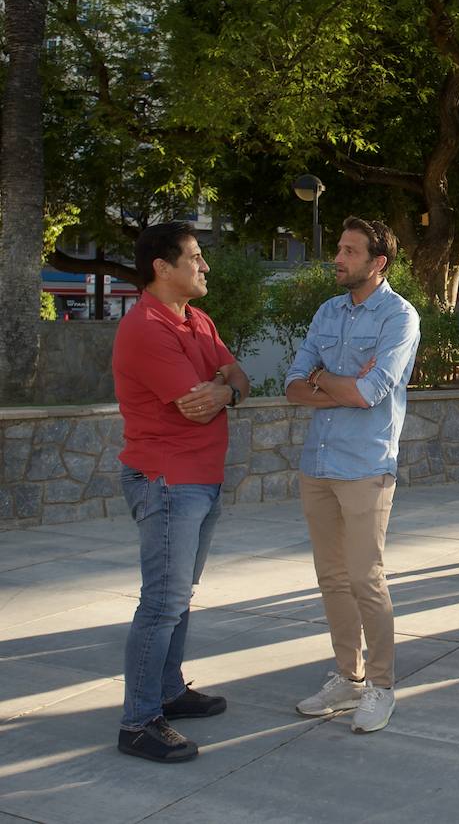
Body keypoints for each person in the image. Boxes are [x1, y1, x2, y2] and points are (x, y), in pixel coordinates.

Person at [112, 222, 251, 763]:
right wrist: (221, 390)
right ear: (162, 268)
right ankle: (138, 721)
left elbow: (235, 378)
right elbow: (194, 401)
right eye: (195, 258)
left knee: (179, 597)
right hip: (168, 480)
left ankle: (168, 692)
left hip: (199, 478)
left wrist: (225, 391)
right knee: (162, 603)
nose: (205, 266)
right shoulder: (146, 327)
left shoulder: (196, 319)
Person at [284, 217, 420, 734]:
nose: (337, 258)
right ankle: (348, 678)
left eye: (348, 251)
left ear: (377, 263)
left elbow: (371, 393)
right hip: (317, 464)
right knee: (332, 578)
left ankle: (381, 687)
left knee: (366, 579)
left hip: (365, 467)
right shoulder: (327, 311)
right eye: (338, 249)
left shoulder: (399, 317)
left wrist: (327, 380)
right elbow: (294, 384)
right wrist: (327, 379)